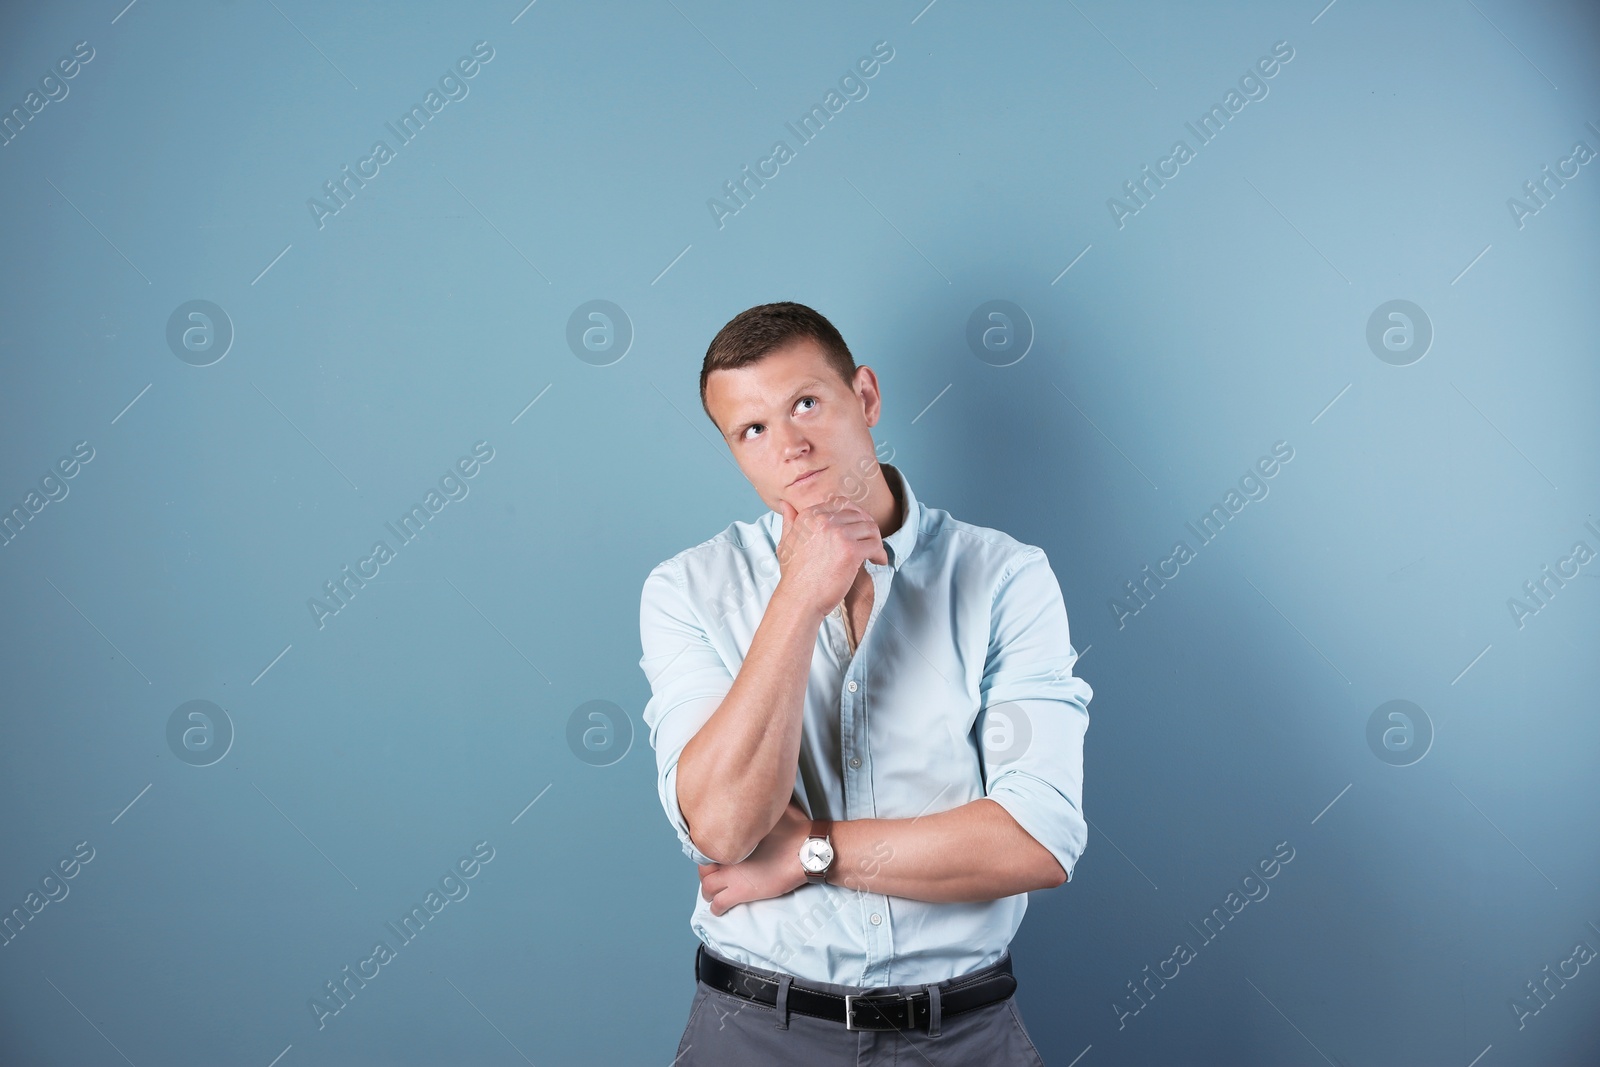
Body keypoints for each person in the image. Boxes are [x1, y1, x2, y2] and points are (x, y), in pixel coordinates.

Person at [637, 301, 1092, 1064]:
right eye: (752, 430)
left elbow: (1037, 837)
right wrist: (797, 599)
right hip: (754, 1034)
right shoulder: (688, 588)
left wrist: (812, 848)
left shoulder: (1005, 576)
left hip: (963, 1037)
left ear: (867, 397)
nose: (790, 445)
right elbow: (722, 826)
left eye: (806, 403)